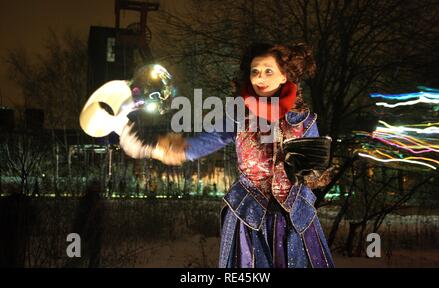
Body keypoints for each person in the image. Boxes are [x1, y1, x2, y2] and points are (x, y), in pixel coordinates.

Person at [120, 43, 335, 268]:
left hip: (294, 220)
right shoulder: (238, 115)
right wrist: (154, 148)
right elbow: (205, 142)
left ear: (284, 76)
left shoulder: (305, 121)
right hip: (249, 216)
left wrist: (309, 172)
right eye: (255, 71)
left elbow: (315, 169)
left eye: (268, 71)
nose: (260, 77)